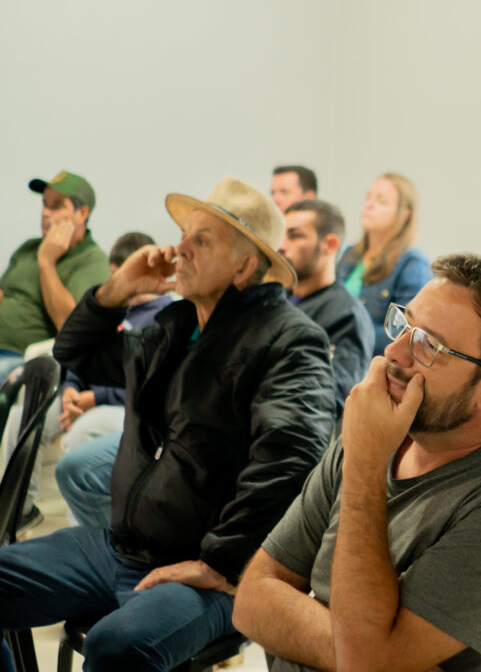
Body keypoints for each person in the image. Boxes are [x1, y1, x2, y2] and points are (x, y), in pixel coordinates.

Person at [0, 176, 336, 671]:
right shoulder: (175, 329)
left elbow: (292, 456)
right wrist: (117, 290)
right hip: (122, 548)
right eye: (182, 235)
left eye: (202, 240)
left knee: (116, 644)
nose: (179, 248)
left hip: (210, 572)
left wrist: (219, 562)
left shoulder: (288, 339)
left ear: (244, 266)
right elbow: (74, 352)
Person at [233, 254, 481, 672]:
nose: (394, 352)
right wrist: (354, 648)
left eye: (429, 346)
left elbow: (367, 663)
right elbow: (251, 600)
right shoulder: (381, 424)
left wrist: (365, 464)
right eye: (404, 325)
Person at [19, 232, 172, 530]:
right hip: (82, 395)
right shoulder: (114, 311)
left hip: (122, 403)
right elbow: (74, 354)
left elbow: (151, 379)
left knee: (80, 438)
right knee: (24, 415)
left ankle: (84, 528)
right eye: (115, 277)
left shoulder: (166, 316)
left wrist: (96, 398)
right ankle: (19, 509)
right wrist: (70, 390)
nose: (120, 283)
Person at [0, 170, 109, 383]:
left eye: (57, 206)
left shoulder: (92, 260)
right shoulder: (28, 248)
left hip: (26, 360)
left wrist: (47, 262)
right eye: (45, 204)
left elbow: (72, 328)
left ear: (82, 213)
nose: (45, 213)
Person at [281, 198, 374, 413]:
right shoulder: (275, 299)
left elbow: (328, 399)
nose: (282, 246)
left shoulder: (347, 316)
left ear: (329, 245)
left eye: (295, 236)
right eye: (282, 236)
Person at [336, 172, 432, 355]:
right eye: (368, 198)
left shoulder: (413, 265)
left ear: (404, 214)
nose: (369, 205)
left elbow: (406, 334)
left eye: (381, 201)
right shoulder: (350, 254)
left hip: (374, 362)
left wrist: (343, 331)